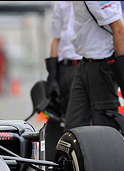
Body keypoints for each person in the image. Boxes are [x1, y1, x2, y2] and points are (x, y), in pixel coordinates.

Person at [66, 1, 124, 150]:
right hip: (85, 64)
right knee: (73, 128)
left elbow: (119, 31)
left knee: (105, 130)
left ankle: (111, 168)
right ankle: (80, 170)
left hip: (101, 66)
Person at [43, 1, 82, 160]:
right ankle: (52, 165)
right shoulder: (61, 4)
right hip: (63, 66)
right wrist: (52, 76)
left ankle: (76, 163)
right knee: (54, 117)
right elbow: (56, 39)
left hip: (83, 64)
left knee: (77, 121)